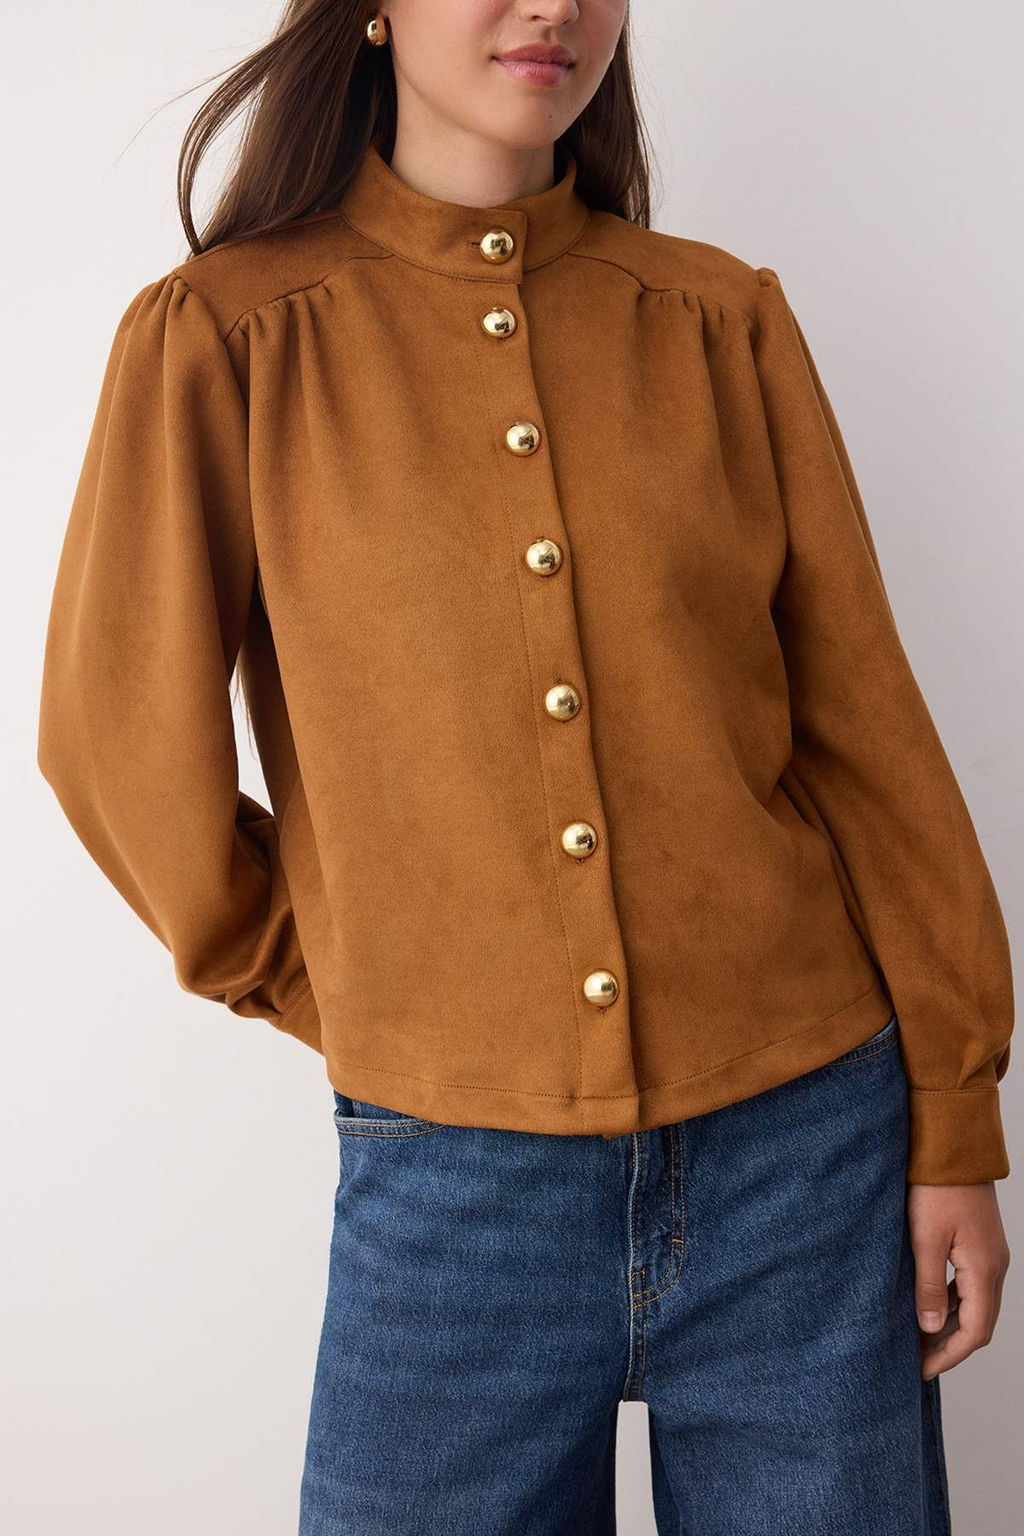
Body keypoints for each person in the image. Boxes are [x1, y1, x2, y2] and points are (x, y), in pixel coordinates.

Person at [37, 2, 1013, 1531]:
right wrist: (347, 984)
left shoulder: (719, 321)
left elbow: (865, 737)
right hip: (453, 1191)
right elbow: (116, 746)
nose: (552, 6)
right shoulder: (228, 337)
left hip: (807, 1153)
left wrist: (953, 1119)